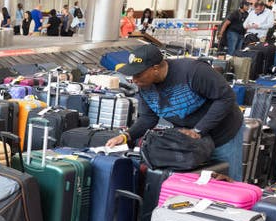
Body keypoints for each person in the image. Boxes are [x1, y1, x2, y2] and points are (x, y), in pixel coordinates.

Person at [105, 44, 245, 181]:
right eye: (132, 75)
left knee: (227, 184)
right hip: (191, 143)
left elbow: (226, 97)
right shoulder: (144, 86)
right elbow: (148, 118)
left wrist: (198, 130)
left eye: (138, 74)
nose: (134, 80)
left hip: (223, 135)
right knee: (195, 186)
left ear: (155, 68)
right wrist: (126, 136)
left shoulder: (193, 71)